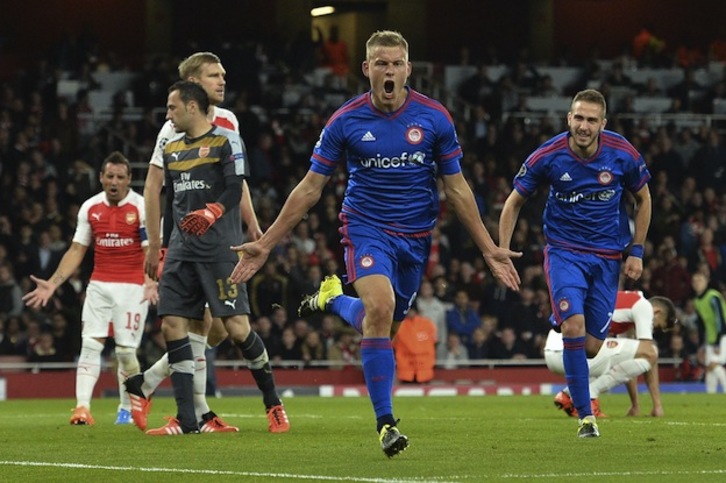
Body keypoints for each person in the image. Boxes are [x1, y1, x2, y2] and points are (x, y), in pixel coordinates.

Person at [229, 30, 521, 457]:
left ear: (408, 69)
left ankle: (332, 300)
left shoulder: (434, 117)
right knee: (380, 310)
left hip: (417, 238)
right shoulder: (345, 120)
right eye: (381, 63)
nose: (389, 70)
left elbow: (457, 190)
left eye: (396, 63)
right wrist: (268, 242)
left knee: (383, 323)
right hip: (366, 228)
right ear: (366, 68)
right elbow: (311, 188)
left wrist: (488, 248)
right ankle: (386, 425)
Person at [127, 52, 289, 434]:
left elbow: (238, 182)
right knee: (189, 326)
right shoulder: (170, 132)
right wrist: (155, 244)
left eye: (223, 74)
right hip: (184, 243)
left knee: (219, 331)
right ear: (194, 86)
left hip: (222, 241)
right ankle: (195, 415)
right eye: (214, 75)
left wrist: (254, 227)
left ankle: (149, 383)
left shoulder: (228, 124)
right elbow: (154, 188)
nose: (222, 81)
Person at [499, 88, 652, 438]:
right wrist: (502, 250)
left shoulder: (622, 153)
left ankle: (565, 323)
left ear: (603, 124)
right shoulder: (549, 155)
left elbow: (643, 198)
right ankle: (586, 417)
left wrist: (637, 250)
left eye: (591, 120)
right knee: (573, 327)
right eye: (578, 118)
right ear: (569, 119)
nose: (583, 126)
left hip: (607, 258)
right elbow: (513, 203)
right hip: (564, 252)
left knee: (593, 345)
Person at [22, 151, 156, 426]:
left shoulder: (142, 208)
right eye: (110, 176)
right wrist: (53, 283)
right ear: (101, 178)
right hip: (99, 285)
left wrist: (152, 281)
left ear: (130, 179)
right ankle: (82, 408)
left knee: (125, 353)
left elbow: (150, 250)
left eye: (120, 177)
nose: (115, 181)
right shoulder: (90, 208)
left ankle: (127, 405)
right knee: (90, 345)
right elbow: (76, 249)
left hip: (132, 286)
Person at [546, 291, 677, 418]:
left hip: (556, 350)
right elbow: (648, 352)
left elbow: (627, 362)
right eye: (658, 326)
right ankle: (590, 395)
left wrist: (635, 405)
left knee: (625, 357)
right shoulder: (644, 307)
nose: (653, 329)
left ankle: (567, 395)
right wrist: (657, 405)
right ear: (657, 312)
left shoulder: (628, 306)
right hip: (567, 348)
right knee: (651, 351)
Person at [691, 271, 726, 393]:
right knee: (709, 367)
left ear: (706, 281)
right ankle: (710, 395)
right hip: (711, 338)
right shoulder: (697, 301)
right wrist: (701, 345)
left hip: (722, 335)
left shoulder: (713, 297)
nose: (697, 283)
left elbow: (720, 319)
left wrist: (717, 342)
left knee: (713, 364)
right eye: (694, 281)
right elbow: (701, 325)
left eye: (700, 280)